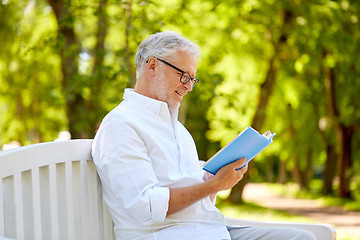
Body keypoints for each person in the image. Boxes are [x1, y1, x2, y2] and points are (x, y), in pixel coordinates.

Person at [91, 31, 316, 240]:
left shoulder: (178, 130)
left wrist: (212, 177)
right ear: (152, 66)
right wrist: (214, 185)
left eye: (192, 79)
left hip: (211, 230)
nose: (188, 87)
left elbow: (198, 197)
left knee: (302, 238)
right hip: (170, 235)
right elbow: (145, 207)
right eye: (184, 76)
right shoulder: (122, 124)